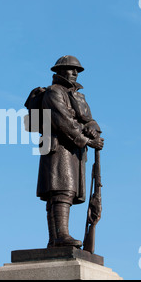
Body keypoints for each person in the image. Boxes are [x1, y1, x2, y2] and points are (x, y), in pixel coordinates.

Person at [36, 55, 104, 248]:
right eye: (70, 69)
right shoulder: (54, 92)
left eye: (77, 70)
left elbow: (89, 119)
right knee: (60, 191)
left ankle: (56, 238)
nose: (74, 73)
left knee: (66, 191)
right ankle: (60, 235)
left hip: (74, 149)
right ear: (59, 71)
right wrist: (85, 139)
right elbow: (62, 120)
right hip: (59, 148)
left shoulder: (78, 96)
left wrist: (93, 129)